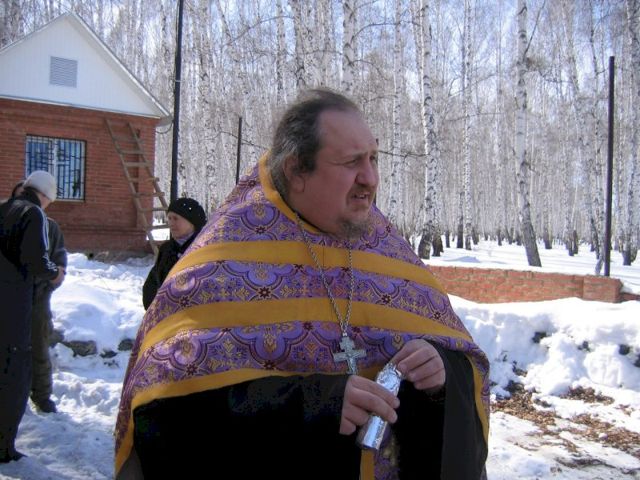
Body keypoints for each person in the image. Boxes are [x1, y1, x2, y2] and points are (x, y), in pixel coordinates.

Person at [115, 89, 489, 479]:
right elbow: (161, 409)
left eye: (374, 159)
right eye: (352, 162)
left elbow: (465, 370)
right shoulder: (221, 262)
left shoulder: (390, 250)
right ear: (296, 171)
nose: (371, 179)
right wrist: (310, 405)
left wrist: (444, 375)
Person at [0, 171, 65, 462]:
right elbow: (36, 260)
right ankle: (4, 446)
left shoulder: (4, 208)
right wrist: (54, 273)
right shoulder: (33, 214)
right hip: (17, 305)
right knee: (15, 373)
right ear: (44, 195)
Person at [11, 181, 67, 414]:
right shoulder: (9, 223)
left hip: (37, 300)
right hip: (11, 299)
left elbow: (59, 262)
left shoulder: (49, 227)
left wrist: (48, 286)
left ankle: (42, 396)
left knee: (39, 348)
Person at [141, 198, 207, 310]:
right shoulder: (166, 249)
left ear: (192, 222)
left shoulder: (203, 249)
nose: (171, 223)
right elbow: (153, 282)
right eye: (169, 218)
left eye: (176, 218)